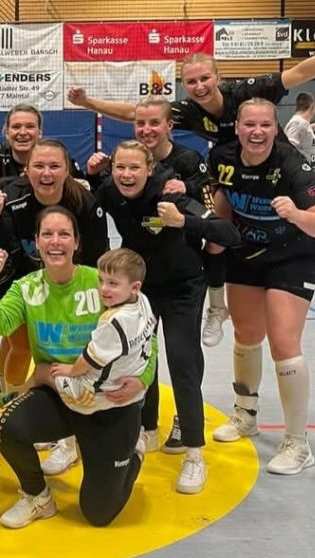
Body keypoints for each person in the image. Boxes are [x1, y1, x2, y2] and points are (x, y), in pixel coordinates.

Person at [68, 30, 315, 361]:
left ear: (218, 77)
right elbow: (133, 113)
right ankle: (215, 308)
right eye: (191, 81)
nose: (199, 86)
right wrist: (87, 103)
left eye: (204, 79)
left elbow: (300, 72)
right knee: (216, 233)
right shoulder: (188, 111)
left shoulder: (247, 92)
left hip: (280, 171)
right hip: (234, 176)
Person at [0, 209, 157, 529]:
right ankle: (37, 496)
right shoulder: (26, 287)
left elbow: (146, 333)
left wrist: (143, 379)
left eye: (64, 234)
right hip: (60, 393)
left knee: (99, 514)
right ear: (36, 242)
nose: (55, 241)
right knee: (7, 425)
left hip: (108, 403)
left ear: (76, 242)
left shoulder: (102, 282)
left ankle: (134, 452)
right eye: (47, 234)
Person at [98, 141, 239, 493]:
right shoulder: (110, 192)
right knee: (137, 359)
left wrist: (184, 221)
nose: (126, 175)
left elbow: (228, 233)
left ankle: (194, 453)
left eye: (134, 168)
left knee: (181, 361)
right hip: (141, 289)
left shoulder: (170, 194)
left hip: (182, 288)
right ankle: (146, 430)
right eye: (120, 167)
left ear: (149, 169)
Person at [207, 98, 315, 475]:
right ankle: (245, 415)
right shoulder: (222, 158)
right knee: (246, 335)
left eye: (265, 125)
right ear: (237, 128)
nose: (257, 132)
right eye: (249, 124)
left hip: (291, 255)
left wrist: (296, 214)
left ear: (275, 128)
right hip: (247, 252)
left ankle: (298, 443)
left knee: (283, 343)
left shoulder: (292, 164)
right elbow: (222, 203)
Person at [0, 140, 107, 477]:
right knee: (19, 345)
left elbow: (97, 261)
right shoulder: (12, 198)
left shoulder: (85, 203)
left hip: (74, 283)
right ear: (27, 170)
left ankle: (71, 438)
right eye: (39, 166)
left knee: (71, 351)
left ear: (68, 170)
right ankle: (15, 402)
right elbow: (4, 245)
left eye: (55, 166)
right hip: (27, 281)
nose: (47, 173)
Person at [285, 93, 315, 167]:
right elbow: (289, 148)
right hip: (300, 170)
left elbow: (306, 129)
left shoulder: (302, 124)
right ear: (312, 106)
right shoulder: (297, 123)